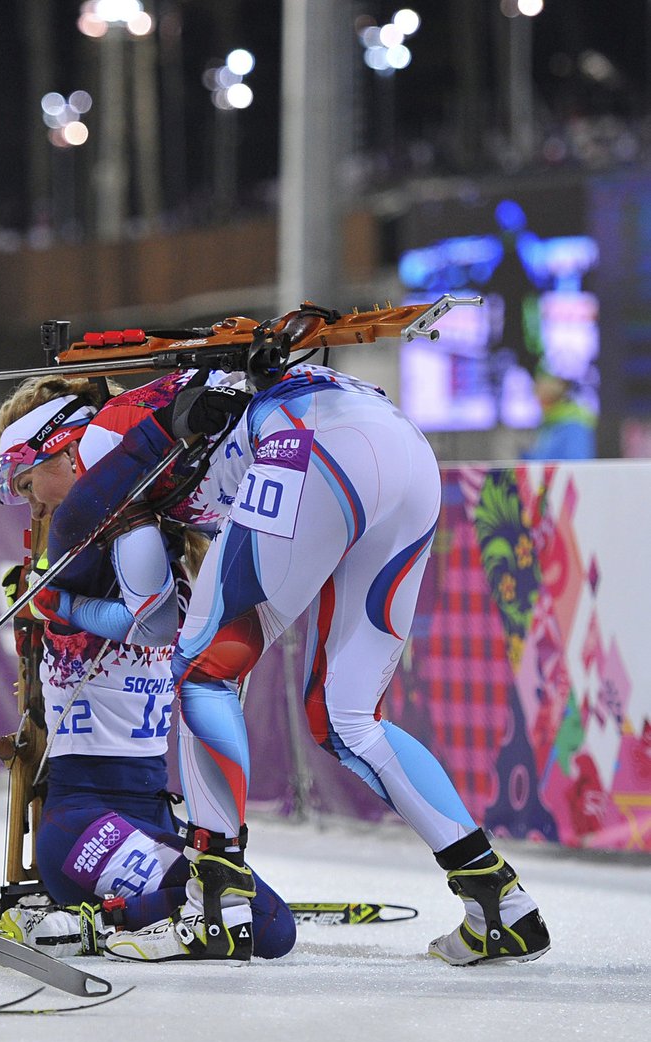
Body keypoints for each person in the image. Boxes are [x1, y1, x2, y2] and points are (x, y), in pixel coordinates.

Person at [47, 362, 552, 966]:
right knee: (348, 717)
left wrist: (62, 597)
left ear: (63, 453)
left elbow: (126, 577)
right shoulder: (170, 403)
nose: (32, 503)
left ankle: (216, 906)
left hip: (311, 443)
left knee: (206, 670)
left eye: (26, 486)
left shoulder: (103, 442)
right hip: (402, 450)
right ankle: (499, 903)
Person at [0, 374, 296, 960]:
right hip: (81, 821)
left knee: (272, 927)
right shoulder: (81, 548)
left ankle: (110, 920)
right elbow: (144, 620)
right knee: (253, 928)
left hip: (154, 809)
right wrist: (57, 604)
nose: (31, 502)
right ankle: (109, 921)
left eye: (30, 485)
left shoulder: (161, 538)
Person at [522, 371, 596, 461]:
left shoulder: (575, 427)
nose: (534, 388)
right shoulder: (546, 425)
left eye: (540, 383)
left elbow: (577, 468)